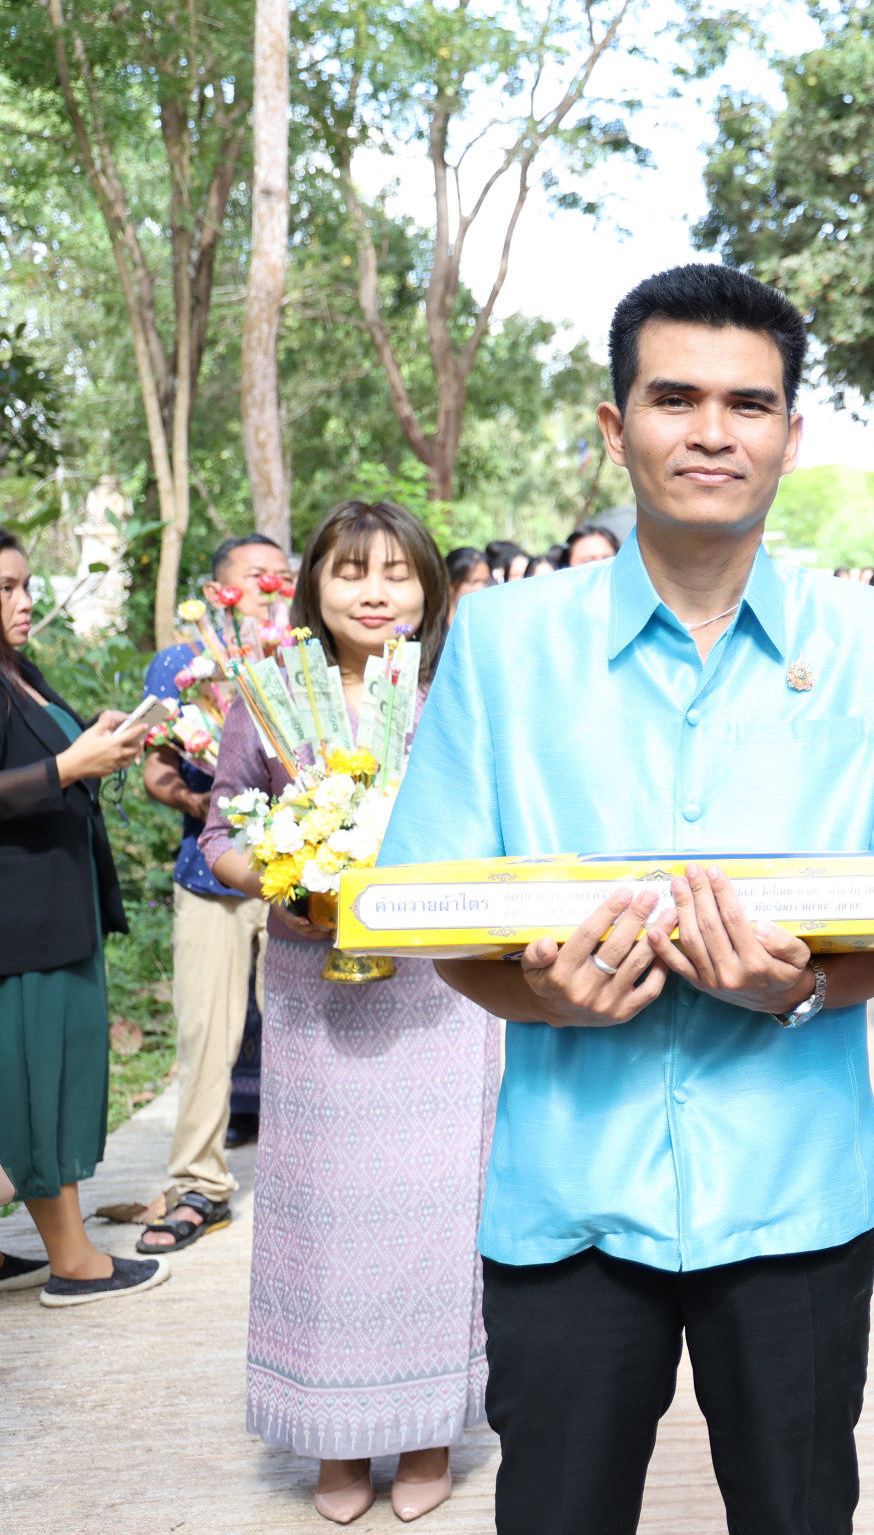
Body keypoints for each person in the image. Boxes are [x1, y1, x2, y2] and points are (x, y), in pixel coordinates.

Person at [378, 264, 874, 1535]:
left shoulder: (869, 647)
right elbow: (433, 919)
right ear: (614, 426)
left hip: (797, 1196)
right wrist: (543, 994)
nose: (712, 431)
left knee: (801, 1512)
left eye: (749, 404)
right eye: (675, 397)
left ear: (790, 435)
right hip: (568, 1199)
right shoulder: (502, 642)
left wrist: (797, 987)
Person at [197, 501, 491, 1525]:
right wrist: (280, 873)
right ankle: (330, 1430)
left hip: (441, 991)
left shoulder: (456, 697)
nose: (375, 591)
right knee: (321, 1214)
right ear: (315, 586)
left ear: (429, 587)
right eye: (352, 570)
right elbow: (220, 826)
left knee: (434, 1210)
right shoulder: (267, 696)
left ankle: (423, 1429)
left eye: (398, 573)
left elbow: (497, 829)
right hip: (314, 982)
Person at [0, 527, 160, 1306]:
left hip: (62, 906)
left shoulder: (19, 672)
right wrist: (69, 765)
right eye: (5, 588)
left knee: (46, 1084)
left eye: (25, 584)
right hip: (19, 924)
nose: (25, 601)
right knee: (36, 1091)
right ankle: (74, 1263)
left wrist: (96, 740)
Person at [133, 532, 292, 1257]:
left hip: (302, 877)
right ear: (220, 585)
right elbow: (157, 769)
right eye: (255, 577)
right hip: (212, 875)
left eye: (281, 576)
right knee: (206, 1034)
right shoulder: (182, 663)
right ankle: (200, 1183)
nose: (270, 587)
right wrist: (212, 811)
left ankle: (310, 1174)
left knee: (307, 1031)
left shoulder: (303, 653)